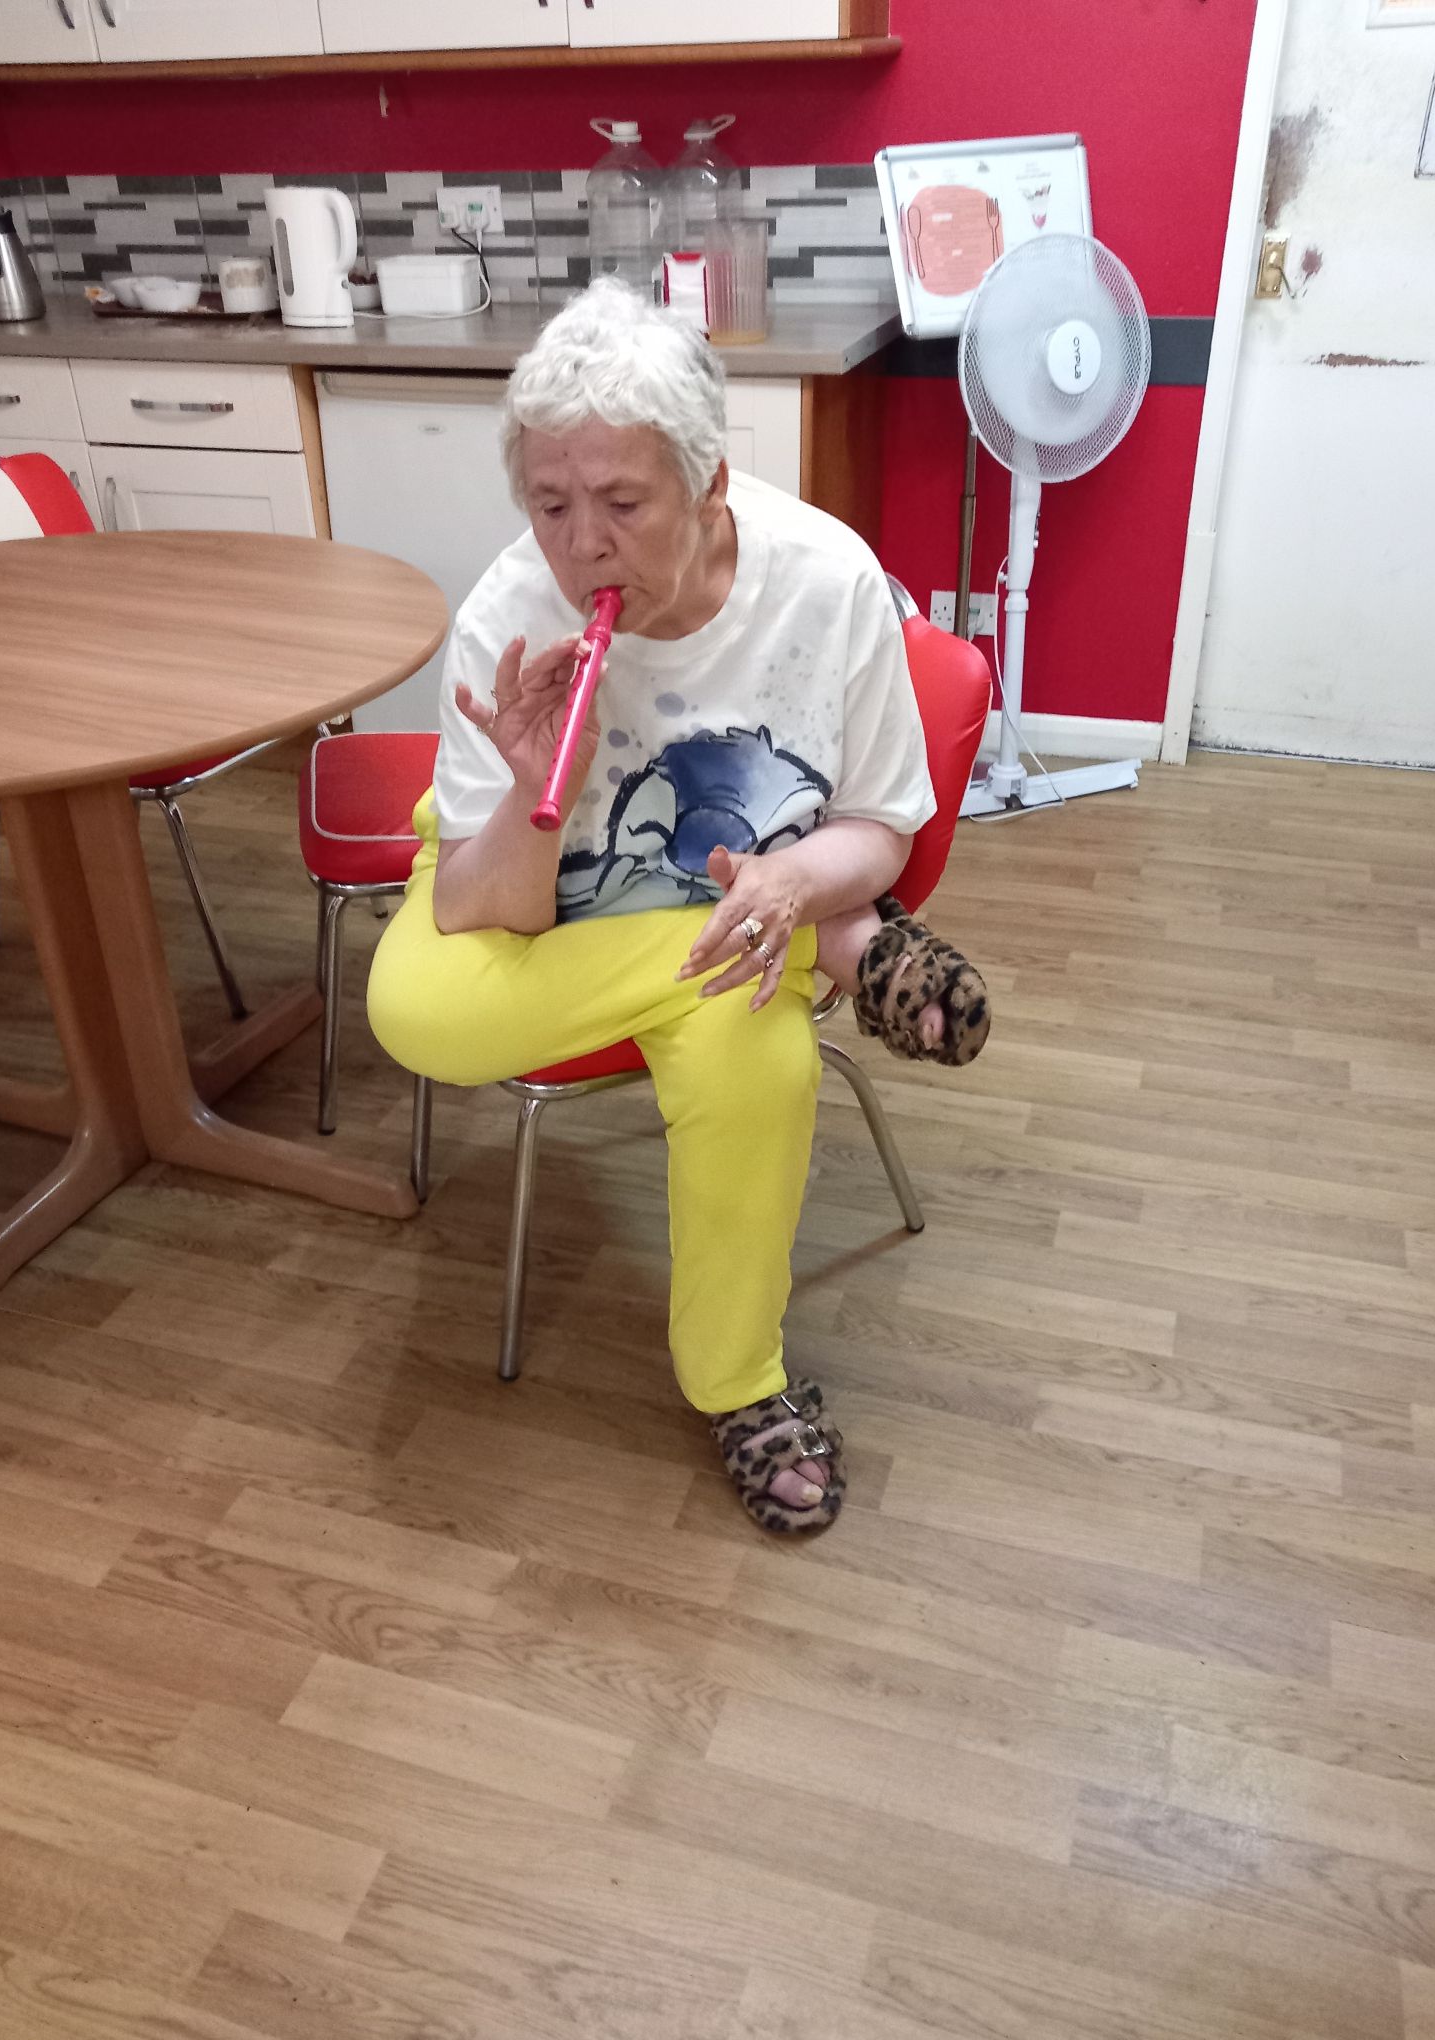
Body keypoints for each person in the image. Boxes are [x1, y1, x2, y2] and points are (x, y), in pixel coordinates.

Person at [368, 279, 990, 1535]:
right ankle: (832, 949)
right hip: (570, 908)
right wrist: (540, 789)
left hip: (750, 903)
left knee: (763, 1064)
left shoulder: (827, 581)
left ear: (709, 484)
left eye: (622, 503)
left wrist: (796, 880)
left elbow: (881, 827)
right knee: (413, 1012)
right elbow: (485, 915)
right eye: (550, 505)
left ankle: (742, 1386)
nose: (582, 547)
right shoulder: (508, 614)